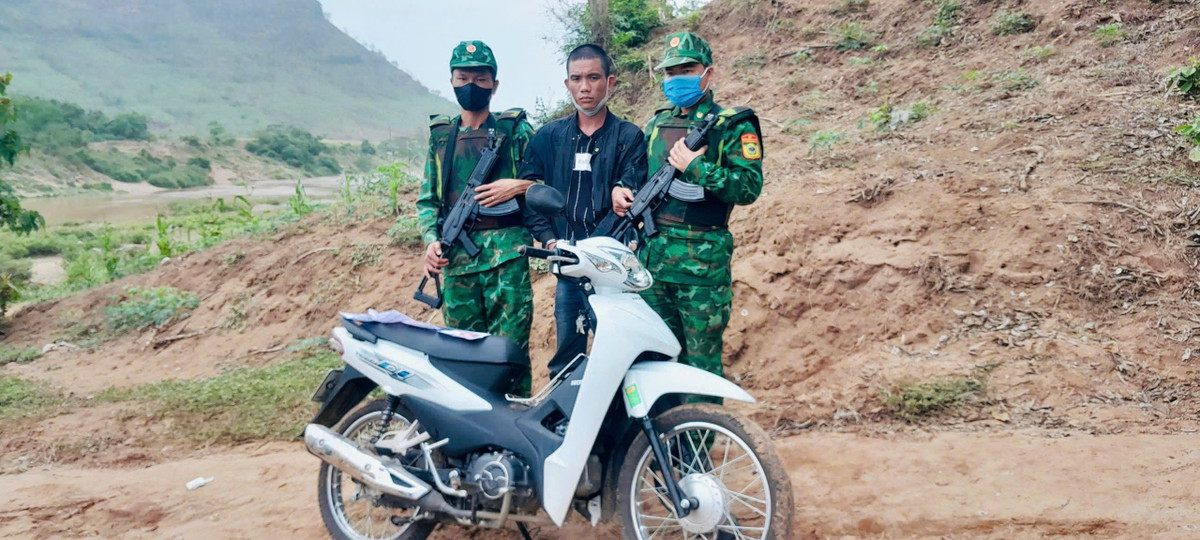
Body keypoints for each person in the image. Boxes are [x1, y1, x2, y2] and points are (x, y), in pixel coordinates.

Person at [612, 32, 763, 387]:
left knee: (701, 363)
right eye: (670, 72)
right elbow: (639, 172)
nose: (677, 78)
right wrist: (623, 190)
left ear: (707, 73)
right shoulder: (656, 123)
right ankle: (665, 438)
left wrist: (697, 168)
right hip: (653, 263)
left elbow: (748, 187)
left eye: (687, 69)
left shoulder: (733, 125)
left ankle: (701, 438)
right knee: (656, 359)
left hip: (701, 268)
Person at [417, 40, 536, 396]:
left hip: (507, 260)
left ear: (494, 84)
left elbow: (544, 182)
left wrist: (517, 186)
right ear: (452, 81)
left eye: (481, 78)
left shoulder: (515, 131)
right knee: (463, 359)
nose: (471, 85)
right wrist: (430, 241)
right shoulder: (442, 138)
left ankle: (516, 434)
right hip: (457, 264)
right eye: (463, 77)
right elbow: (428, 200)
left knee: (510, 356)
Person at [520, 44, 648, 374]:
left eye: (593, 77)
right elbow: (530, 192)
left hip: (612, 269)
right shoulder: (548, 137)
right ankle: (565, 422)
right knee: (567, 357)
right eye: (576, 78)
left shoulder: (629, 137)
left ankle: (618, 422)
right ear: (567, 84)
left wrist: (623, 190)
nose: (585, 87)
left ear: (610, 81)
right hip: (568, 265)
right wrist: (550, 241)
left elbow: (632, 184)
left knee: (620, 354)